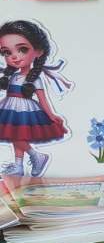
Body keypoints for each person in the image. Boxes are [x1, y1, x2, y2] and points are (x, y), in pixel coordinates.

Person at [0, 19, 70, 177]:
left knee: (16, 135)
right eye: (6, 52)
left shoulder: (35, 79)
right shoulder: (13, 76)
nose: (14, 56)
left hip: (26, 111)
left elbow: (42, 99)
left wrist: (51, 115)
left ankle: (36, 155)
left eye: (22, 49)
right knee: (15, 135)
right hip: (9, 108)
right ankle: (18, 165)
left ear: (38, 51)